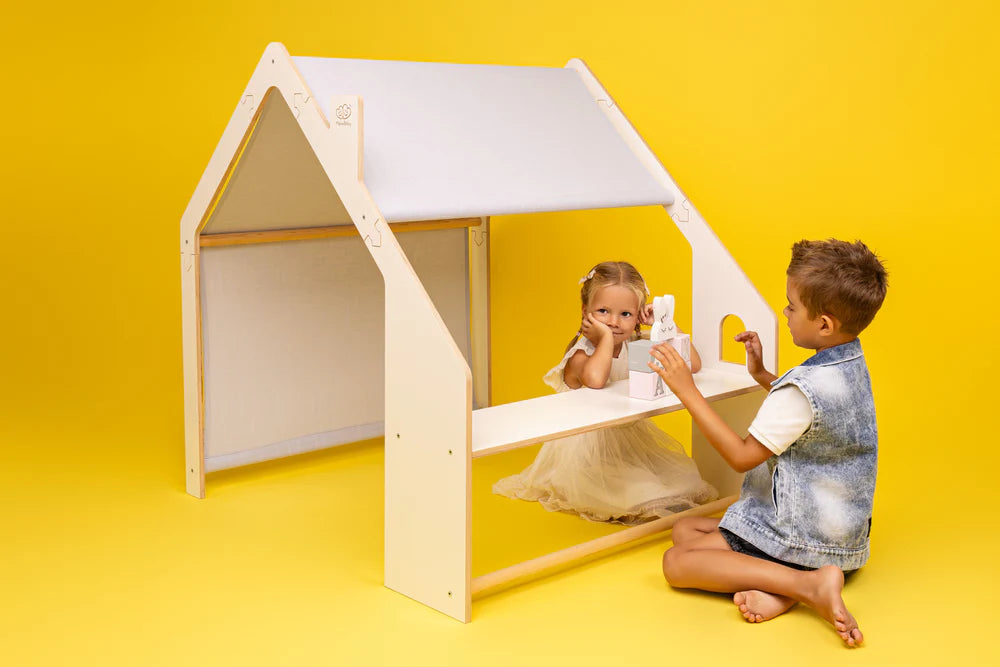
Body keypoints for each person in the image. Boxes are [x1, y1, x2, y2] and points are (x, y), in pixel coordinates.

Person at [648, 239, 888, 647]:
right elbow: (815, 415)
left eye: (792, 306)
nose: (785, 313)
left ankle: (804, 585)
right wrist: (763, 375)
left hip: (802, 538)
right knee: (687, 528)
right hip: (842, 538)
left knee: (675, 562)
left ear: (824, 325)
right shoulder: (848, 362)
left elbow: (742, 457)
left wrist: (687, 390)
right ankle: (784, 587)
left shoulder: (800, 392)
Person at [493, 261, 717, 525]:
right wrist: (606, 340)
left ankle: (642, 485)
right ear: (585, 311)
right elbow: (596, 380)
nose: (613, 322)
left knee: (680, 482)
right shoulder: (580, 355)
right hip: (585, 452)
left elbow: (693, 363)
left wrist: (665, 322)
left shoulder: (635, 343)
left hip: (627, 443)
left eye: (625, 314)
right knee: (637, 494)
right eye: (603, 311)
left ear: (638, 316)